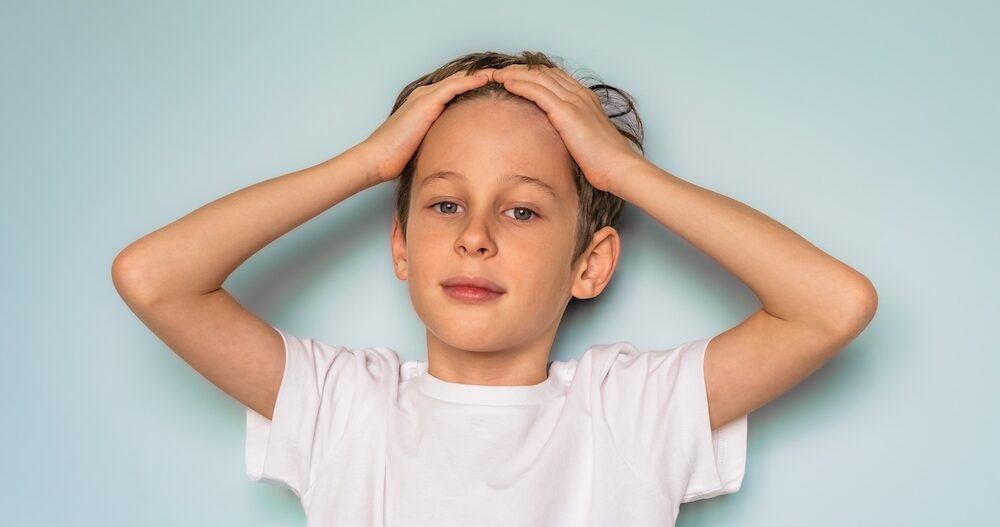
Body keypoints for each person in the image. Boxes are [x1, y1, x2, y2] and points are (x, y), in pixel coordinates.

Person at [111, 50, 878, 526]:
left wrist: (625, 174)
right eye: (446, 203)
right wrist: (369, 163)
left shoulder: (627, 412)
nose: (476, 235)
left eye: (522, 209)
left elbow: (832, 305)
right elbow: (152, 278)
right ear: (403, 246)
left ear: (592, 263)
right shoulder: (343, 406)